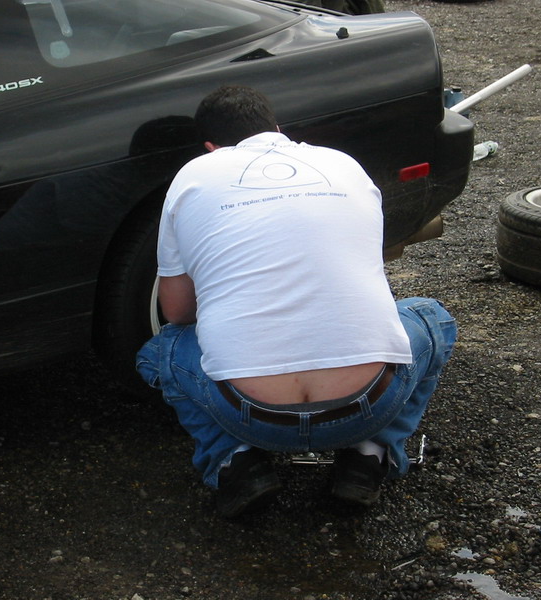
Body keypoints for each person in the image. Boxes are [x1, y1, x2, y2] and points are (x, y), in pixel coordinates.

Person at [136, 85, 456, 518]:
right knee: (433, 318)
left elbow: (175, 312)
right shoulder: (344, 164)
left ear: (211, 147)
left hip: (251, 416)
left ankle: (234, 461)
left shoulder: (192, 176)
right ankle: (370, 455)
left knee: (161, 350)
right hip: (368, 407)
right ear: (277, 128)